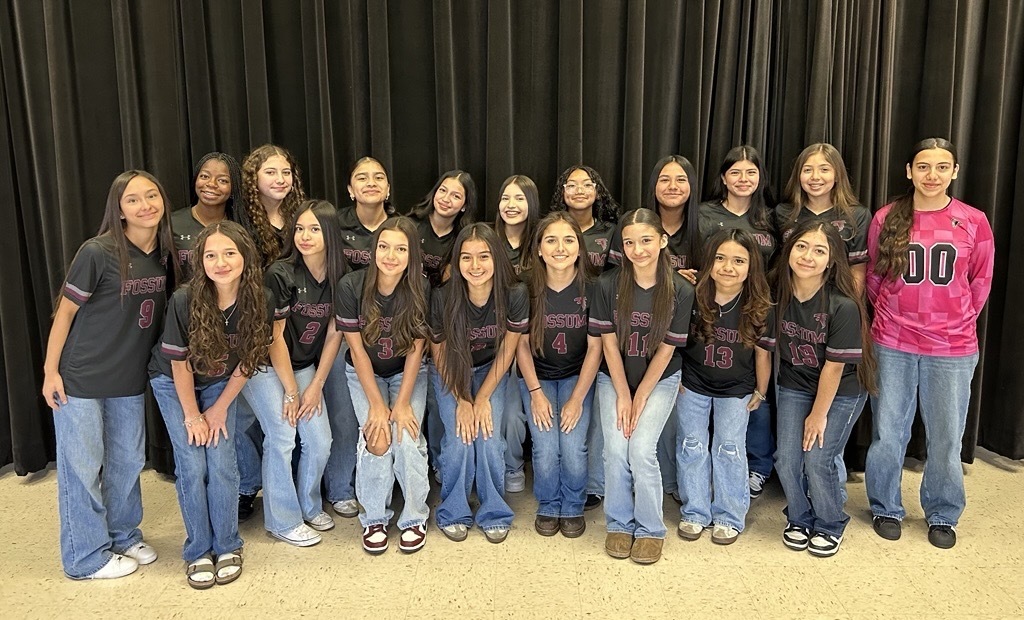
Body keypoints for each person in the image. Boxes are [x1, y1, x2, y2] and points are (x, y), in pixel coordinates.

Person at [42, 170, 177, 579]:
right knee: (83, 466)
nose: (145, 205)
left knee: (127, 461)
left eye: (151, 195)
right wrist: (50, 372)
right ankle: (85, 557)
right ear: (119, 211)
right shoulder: (97, 252)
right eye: (133, 199)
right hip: (81, 377)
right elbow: (64, 313)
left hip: (129, 380)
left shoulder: (166, 254)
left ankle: (122, 534)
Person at [864, 138, 994, 549]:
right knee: (889, 431)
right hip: (894, 341)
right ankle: (885, 505)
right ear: (909, 171)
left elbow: (980, 279)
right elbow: (873, 276)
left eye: (941, 167)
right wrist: (894, 316)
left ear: (954, 172)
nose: (932, 175)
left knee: (946, 435)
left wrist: (954, 319)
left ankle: (942, 512)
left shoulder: (973, 220)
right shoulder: (887, 218)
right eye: (923, 167)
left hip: (952, 348)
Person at [148, 221, 272, 588]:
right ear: (200, 261)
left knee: (221, 460)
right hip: (174, 383)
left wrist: (217, 410)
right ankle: (198, 550)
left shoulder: (259, 298)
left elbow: (249, 359)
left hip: (220, 383)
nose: (221, 262)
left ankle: (229, 544)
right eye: (211, 255)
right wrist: (192, 416)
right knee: (191, 462)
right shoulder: (184, 299)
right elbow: (179, 363)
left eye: (229, 253)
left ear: (245, 257)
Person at [759, 220, 876, 557]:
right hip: (795, 383)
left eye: (819, 250)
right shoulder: (776, 291)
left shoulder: (843, 304)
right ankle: (799, 517)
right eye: (801, 247)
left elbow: (835, 367)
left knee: (819, 458)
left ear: (832, 260)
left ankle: (828, 522)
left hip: (841, 391)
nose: (808, 256)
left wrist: (818, 415)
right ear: (789, 251)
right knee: (787, 458)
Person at [588, 208, 694, 565]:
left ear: (663, 242)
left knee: (642, 449)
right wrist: (622, 394)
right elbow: (607, 343)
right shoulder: (606, 284)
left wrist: (641, 396)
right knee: (616, 449)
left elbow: (667, 350)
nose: (638, 249)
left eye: (646, 240)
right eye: (630, 242)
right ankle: (619, 523)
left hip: (659, 381)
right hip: (614, 378)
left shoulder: (680, 288)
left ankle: (650, 529)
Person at [240, 200, 346, 547]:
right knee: (283, 436)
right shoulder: (281, 273)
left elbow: (334, 333)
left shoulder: (339, 275)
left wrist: (315, 385)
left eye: (314, 229)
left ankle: (309, 506)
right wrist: (291, 391)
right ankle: (282, 521)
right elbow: (273, 338)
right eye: (299, 228)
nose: (304, 235)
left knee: (319, 442)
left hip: (303, 366)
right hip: (264, 365)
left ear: (330, 233)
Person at [336, 217, 432, 554]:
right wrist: (377, 404)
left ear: (412, 255)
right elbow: (356, 349)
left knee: (406, 437)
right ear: (373, 250)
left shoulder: (420, 285)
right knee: (377, 437)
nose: (391, 255)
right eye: (384, 246)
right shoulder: (351, 285)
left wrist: (402, 401)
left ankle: (414, 517)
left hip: (408, 372)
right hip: (366, 374)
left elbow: (418, 348)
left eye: (401, 249)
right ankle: (375, 516)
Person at [430, 223, 528, 543]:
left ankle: (494, 509)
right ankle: (454, 509)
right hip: (452, 372)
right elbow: (440, 352)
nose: (475, 266)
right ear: (456, 262)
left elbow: (509, 349)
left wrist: (482, 398)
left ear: (497, 258)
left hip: (491, 370)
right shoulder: (443, 296)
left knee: (487, 435)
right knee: (460, 436)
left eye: (484, 256)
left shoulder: (514, 293)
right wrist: (462, 399)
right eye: (467, 258)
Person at [676, 228, 771, 545]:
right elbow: (674, 342)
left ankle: (730, 515)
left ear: (750, 266)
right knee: (692, 445)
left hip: (737, 389)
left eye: (738, 260)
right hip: (693, 383)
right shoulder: (692, 295)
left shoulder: (757, 304)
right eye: (720, 258)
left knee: (730, 448)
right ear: (708, 261)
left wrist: (761, 389)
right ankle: (695, 511)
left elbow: (762, 353)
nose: (728, 267)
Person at [699, 145, 778, 501]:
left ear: (760, 177)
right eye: (735, 172)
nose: (743, 179)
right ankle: (715, 465)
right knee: (714, 381)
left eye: (750, 172)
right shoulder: (704, 214)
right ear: (723, 178)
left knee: (756, 390)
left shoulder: (771, 217)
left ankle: (758, 466)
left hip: (757, 309)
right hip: (713, 305)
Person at [234, 144, 308, 521]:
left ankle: (290, 487)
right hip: (255, 334)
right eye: (270, 173)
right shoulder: (242, 221)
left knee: (287, 419)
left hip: (297, 329)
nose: (280, 180)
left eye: (285, 172)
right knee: (242, 420)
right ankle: (247, 484)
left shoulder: (302, 217)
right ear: (254, 179)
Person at [517, 212, 601, 538]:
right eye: (551, 240)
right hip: (536, 376)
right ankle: (549, 504)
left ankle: (574, 505)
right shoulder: (524, 286)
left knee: (573, 444)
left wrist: (578, 398)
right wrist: (536, 393)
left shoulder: (594, 287)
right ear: (539, 249)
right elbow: (520, 345)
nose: (560, 248)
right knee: (544, 445)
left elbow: (596, 348)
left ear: (580, 248)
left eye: (569, 240)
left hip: (576, 376)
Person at [323, 156, 396, 519]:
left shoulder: (401, 227)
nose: (371, 182)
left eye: (379, 177)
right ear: (350, 189)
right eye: (362, 178)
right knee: (345, 416)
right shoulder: (334, 225)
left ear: (388, 188)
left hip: (394, 333)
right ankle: (340, 487)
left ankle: (391, 484)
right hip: (345, 331)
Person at [409, 170, 478, 483]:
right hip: (405, 322)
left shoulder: (462, 239)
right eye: (443, 191)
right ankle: (414, 466)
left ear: (464, 205)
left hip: (439, 323)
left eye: (456, 195)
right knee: (414, 401)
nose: (447, 199)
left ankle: (439, 461)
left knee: (438, 403)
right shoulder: (411, 226)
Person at [493, 175, 541, 493]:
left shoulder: (542, 243)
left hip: (532, 345)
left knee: (512, 414)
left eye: (520, 199)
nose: (511, 205)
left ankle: (512, 466)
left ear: (531, 204)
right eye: (506, 198)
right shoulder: (487, 241)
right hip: (491, 340)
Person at [775, 143, 871, 291]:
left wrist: (849, 307)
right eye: (807, 170)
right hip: (790, 300)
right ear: (798, 175)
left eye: (824, 169)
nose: (815, 177)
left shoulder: (857, 215)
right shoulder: (783, 213)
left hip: (836, 302)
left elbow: (857, 270)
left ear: (837, 175)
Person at [170, 152, 243, 278]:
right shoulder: (172, 224)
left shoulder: (240, 225)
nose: (211, 184)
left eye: (222, 180)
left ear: (233, 188)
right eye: (204, 176)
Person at [549, 165, 620, 269]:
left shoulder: (611, 231)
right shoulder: (550, 230)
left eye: (587, 185)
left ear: (597, 192)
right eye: (572, 186)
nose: (579, 191)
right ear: (562, 193)